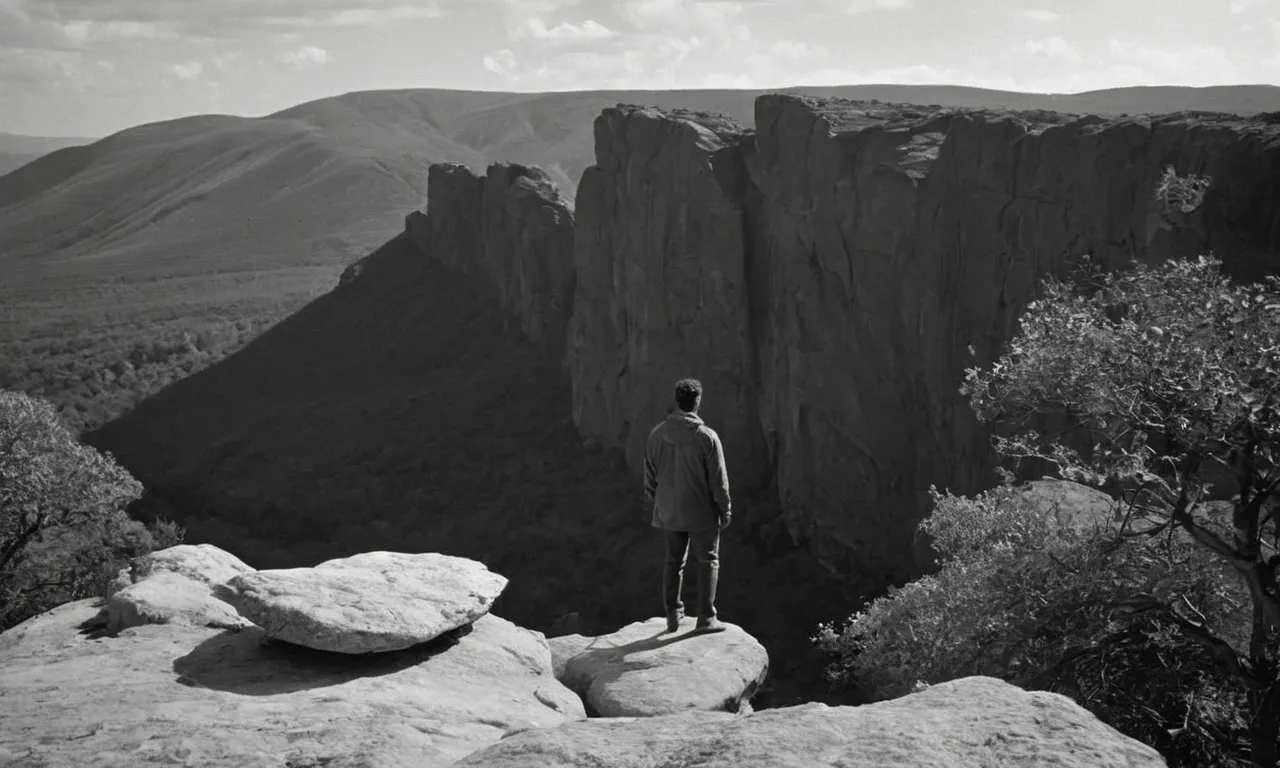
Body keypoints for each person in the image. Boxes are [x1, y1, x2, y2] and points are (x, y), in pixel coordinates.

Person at [643, 378, 732, 634]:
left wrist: (657, 500)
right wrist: (725, 509)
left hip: (669, 510)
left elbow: (649, 475)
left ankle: (673, 614)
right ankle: (706, 619)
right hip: (702, 510)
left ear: (677, 401)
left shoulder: (657, 434)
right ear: (698, 401)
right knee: (708, 561)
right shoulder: (707, 437)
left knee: (673, 562)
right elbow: (719, 480)